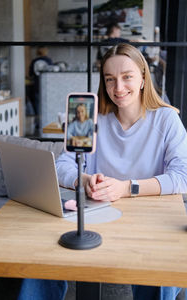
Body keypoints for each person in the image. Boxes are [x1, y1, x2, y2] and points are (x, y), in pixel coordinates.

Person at [56, 43, 187, 299]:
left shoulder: (166, 119)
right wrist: (83, 179)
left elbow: (183, 177)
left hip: (149, 223)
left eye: (127, 77)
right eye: (110, 79)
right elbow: (61, 165)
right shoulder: (89, 117)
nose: (118, 88)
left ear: (142, 78)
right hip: (99, 218)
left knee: (157, 269)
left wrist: (126, 188)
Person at [29, 46, 54, 115]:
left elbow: (30, 74)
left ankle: (38, 119)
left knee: (37, 104)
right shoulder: (49, 60)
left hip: (36, 86)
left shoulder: (34, 61)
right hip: (47, 86)